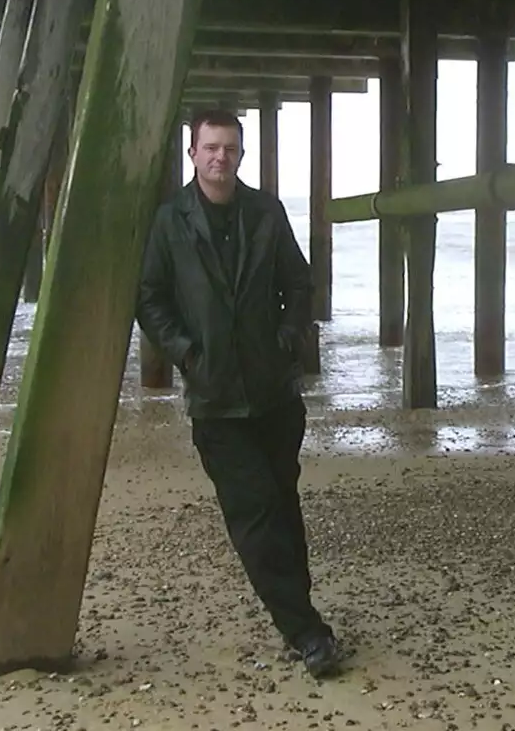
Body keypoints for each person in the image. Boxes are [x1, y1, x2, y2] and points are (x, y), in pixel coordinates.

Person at [135, 108, 342, 679]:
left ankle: (298, 609)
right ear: (193, 154)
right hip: (216, 397)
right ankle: (305, 630)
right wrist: (186, 352)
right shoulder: (170, 221)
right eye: (210, 148)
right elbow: (149, 296)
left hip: (275, 392)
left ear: (241, 155)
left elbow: (299, 282)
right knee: (252, 513)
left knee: (282, 503)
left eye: (229, 148)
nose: (220, 158)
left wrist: (285, 337)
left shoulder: (266, 212)